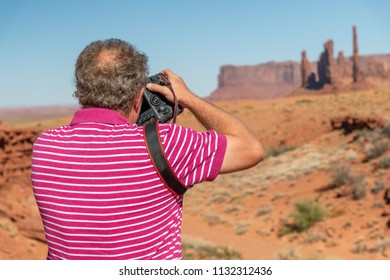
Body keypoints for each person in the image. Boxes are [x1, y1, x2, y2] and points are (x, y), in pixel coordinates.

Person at [31, 38, 263, 260]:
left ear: (80, 90)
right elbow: (250, 149)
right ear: (138, 96)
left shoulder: (45, 147)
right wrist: (189, 98)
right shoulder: (164, 144)